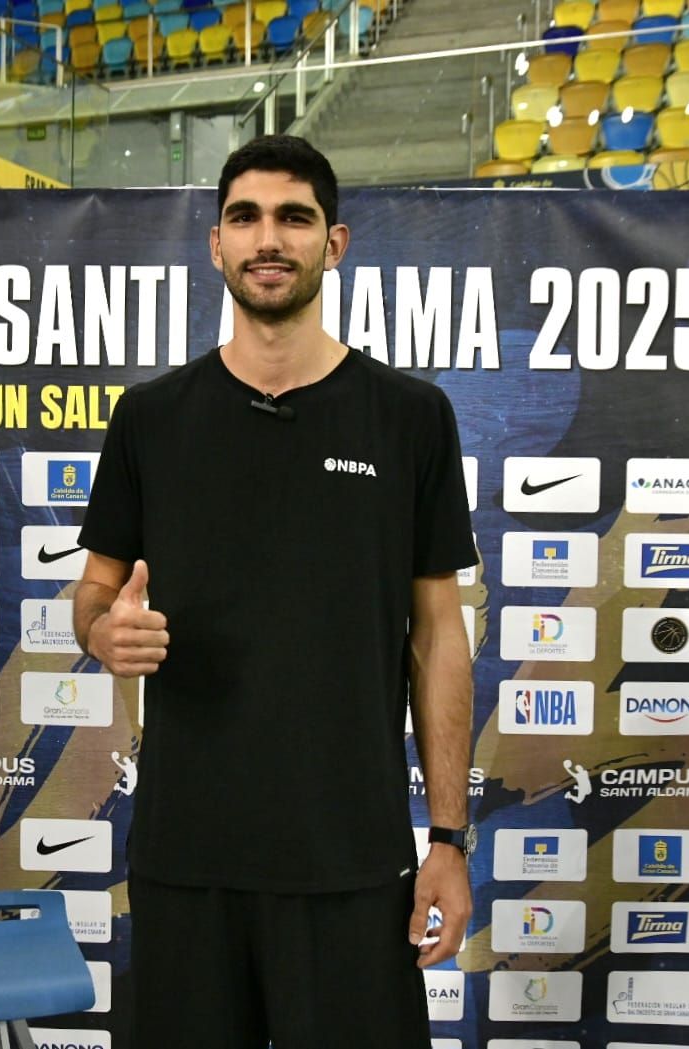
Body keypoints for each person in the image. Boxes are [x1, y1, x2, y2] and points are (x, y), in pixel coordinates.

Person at [72, 135, 479, 1048]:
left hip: (351, 861)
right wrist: (101, 631)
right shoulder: (150, 417)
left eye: (293, 217)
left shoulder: (410, 416)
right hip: (187, 857)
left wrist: (448, 838)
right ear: (214, 244)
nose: (268, 238)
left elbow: (437, 635)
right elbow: (94, 589)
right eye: (244, 217)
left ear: (333, 244)